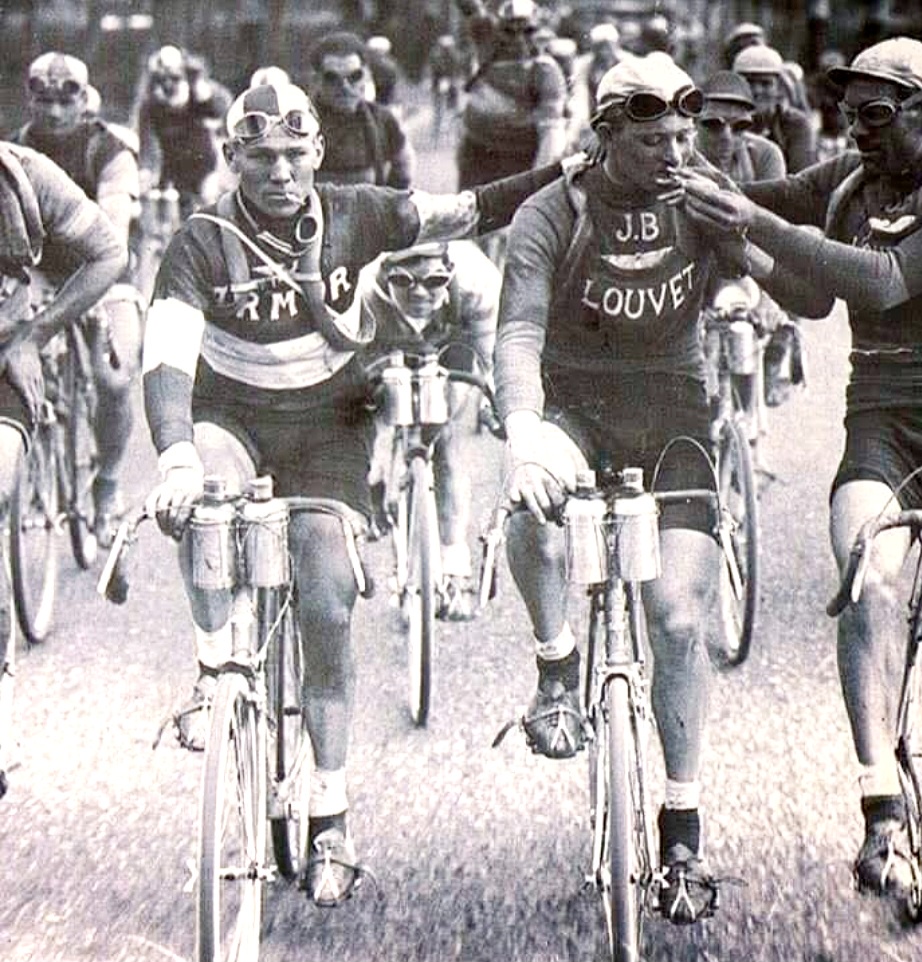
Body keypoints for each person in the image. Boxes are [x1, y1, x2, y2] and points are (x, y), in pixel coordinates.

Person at [142, 80, 569, 908]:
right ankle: (211, 671)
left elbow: (470, 210)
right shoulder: (199, 240)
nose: (278, 171)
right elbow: (166, 361)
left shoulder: (360, 212)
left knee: (328, 599)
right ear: (232, 160)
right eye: (258, 157)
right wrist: (175, 460)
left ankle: (331, 812)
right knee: (206, 508)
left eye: (292, 155)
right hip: (229, 417)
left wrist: (565, 172)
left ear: (317, 155)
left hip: (329, 427)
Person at [677, 36, 922, 899]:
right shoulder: (846, 182)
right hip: (885, 418)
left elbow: (878, 282)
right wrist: (671, 177)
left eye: (876, 116)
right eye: (849, 115)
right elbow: (783, 252)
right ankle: (881, 798)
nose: (858, 132)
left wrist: (752, 226)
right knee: (868, 574)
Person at [494, 52, 751, 926]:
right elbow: (518, 333)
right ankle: (558, 665)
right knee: (526, 502)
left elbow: (768, 269)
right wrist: (525, 433)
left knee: (678, 616)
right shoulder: (553, 211)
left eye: (684, 136)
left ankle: (682, 826)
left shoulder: (701, 194)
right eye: (654, 141)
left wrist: (744, 270)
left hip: (675, 412)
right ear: (607, 136)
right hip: (576, 406)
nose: (675, 153)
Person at [12, 52, 143, 544]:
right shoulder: (18, 150)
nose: (54, 112)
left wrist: (87, 295)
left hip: (105, 272)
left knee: (113, 378)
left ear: (85, 102)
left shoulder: (109, 152)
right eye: (42, 100)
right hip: (41, 273)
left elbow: (113, 235)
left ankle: (107, 485)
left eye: (64, 101)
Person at [0, 140, 127, 632]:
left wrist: (35, 336)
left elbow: (110, 253)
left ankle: (107, 484)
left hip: (10, 343)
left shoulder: (27, 173)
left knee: (114, 374)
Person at [355, 240, 501, 619]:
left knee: (448, 442)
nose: (419, 292)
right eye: (404, 280)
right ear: (385, 276)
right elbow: (353, 373)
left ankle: (454, 565)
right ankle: (388, 490)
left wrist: (493, 402)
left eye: (434, 280)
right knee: (375, 418)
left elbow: (492, 358)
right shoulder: (364, 289)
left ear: (450, 272)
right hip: (385, 346)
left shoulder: (475, 281)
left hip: (452, 344)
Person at [695, 69, 801, 413]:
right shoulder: (677, 154)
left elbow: (774, 235)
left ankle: (750, 428)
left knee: (750, 326)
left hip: (746, 264)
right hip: (693, 266)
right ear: (694, 124)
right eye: (713, 125)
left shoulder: (766, 156)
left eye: (740, 126)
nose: (726, 136)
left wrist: (772, 301)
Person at [456, 0, 567, 189]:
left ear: (541, 33)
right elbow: (469, 7)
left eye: (528, 31)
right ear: (498, 30)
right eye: (510, 31)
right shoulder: (487, 43)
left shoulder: (545, 70)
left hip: (519, 155)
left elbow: (551, 130)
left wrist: (539, 179)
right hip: (477, 147)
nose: (519, 38)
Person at [134, 44, 231, 218]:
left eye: (175, 78)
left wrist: (200, 86)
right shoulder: (150, 106)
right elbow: (145, 142)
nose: (169, 84)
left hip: (205, 168)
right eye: (162, 79)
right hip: (171, 172)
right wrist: (146, 171)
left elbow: (222, 107)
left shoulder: (198, 97)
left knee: (209, 206)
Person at [309, 30, 414, 189]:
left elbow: (404, 166)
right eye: (332, 78)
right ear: (317, 80)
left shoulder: (382, 120)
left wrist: (390, 202)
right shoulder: (301, 122)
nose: (345, 87)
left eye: (354, 76)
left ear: (366, 76)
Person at [732, 44, 817, 172]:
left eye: (766, 83)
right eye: (749, 82)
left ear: (779, 88)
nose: (757, 91)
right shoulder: (723, 124)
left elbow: (802, 178)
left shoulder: (796, 125)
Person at [566, 22, 630, 150]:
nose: (604, 51)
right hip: (592, 115)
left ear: (616, 45)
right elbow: (579, 93)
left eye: (608, 46)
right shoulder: (582, 65)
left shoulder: (628, 63)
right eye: (599, 46)